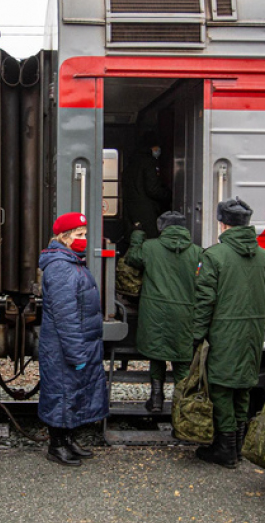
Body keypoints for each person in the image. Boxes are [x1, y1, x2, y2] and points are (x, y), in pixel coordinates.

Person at [191, 198, 265, 468]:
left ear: (223, 224)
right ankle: (238, 446)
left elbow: (205, 302)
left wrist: (196, 335)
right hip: (252, 332)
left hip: (224, 332)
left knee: (221, 388)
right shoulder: (264, 256)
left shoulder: (214, 256)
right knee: (243, 388)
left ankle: (225, 449)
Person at [38, 212, 109, 466]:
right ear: (65, 237)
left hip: (73, 343)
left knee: (71, 392)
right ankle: (57, 446)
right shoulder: (60, 267)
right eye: (79, 235)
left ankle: (68, 441)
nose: (84, 239)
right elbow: (65, 317)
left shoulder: (70, 262)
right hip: (63, 346)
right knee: (62, 393)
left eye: (84, 235)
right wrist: (76, 353)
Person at [124, 211, 203, 413]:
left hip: (154, 313)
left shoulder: (150, 248)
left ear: (162, 228)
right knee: (182, 360)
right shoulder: (197, 252)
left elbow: (131, 258)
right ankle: (181, 407)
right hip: (184, 314)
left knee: (156, 355)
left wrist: (137, 235)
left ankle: (156, 398)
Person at [122, 131, 171, 241]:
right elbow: (152, 189)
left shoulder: (131, 163)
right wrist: (169, 194)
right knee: (150, 241)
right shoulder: (149, 163)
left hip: (132, 210)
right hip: (146, 212)